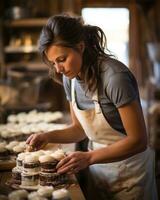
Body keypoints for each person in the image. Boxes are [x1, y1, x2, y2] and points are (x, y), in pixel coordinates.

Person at [26, 14, 158, 200]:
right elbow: (79, 130)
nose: (58, 69)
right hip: (99, 171)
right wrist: (47, 136)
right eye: (53, 62)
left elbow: (138, 140)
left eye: (62, 59)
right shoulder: (70, 79)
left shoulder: (114, 77)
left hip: (131, 174)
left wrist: (88, 157)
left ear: (80, 47)